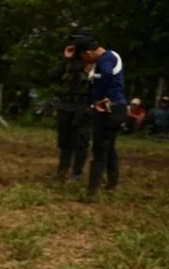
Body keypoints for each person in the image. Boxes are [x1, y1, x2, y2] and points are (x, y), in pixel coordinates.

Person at [74, 35, 127, 197]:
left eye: (83, 58)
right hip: (114, 107)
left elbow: (105, 77)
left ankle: (92, 191)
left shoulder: (106, 60)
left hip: (109, 109)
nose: (85, 62)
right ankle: (112, 183)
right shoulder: (106, 59)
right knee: (108, 147)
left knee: (99, 149)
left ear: (88, 53)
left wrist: (99, 101)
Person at [50, 35, 91, 180]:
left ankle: (76, 173)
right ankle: (62, 171)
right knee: (64, 141)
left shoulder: (91, 63)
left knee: (81, 142)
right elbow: (52, 76)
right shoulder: (67, 64)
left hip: (83, 106)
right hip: (65, 105)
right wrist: (65, 59)